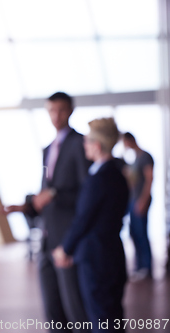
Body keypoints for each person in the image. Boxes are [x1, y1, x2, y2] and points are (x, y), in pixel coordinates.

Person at [5, 92, 91, 332]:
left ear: (71, 111)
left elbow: (87, 193)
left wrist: (54, 195)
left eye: (61, 110)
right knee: (52, 310)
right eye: (51, 110)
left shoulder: (81, 144)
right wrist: (25, 206)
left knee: (75, 308)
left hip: (67, 236)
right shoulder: (48, 148)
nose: (56, 116)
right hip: (47, 235)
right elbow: (47, 192)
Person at [53, 118, 129, 333]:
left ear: (96, 146)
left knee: (101, 320)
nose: (83, 145)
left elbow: (83, 218)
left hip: (96, 258)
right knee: (113, 317)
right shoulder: (118, 175)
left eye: (86, 141)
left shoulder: (98, 179)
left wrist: (65, 248)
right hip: (113, 253)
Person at [122, 132, 154, 281]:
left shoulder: (145, 157)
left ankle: (146, 267)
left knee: (141, 233)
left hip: (140, 200)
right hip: (132, 200)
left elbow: (149, 180)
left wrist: (143, 200)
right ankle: (140, 265)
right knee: (134, 233)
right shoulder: (134, 159)